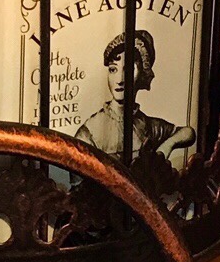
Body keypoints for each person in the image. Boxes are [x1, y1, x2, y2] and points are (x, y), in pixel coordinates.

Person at [72, 28, 194, 168]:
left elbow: (188, 132)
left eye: (129, 70)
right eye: (113, 69)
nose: (119, 80)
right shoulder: (91, 130)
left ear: (142, 74)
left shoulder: (148, 126)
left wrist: (167, 146)